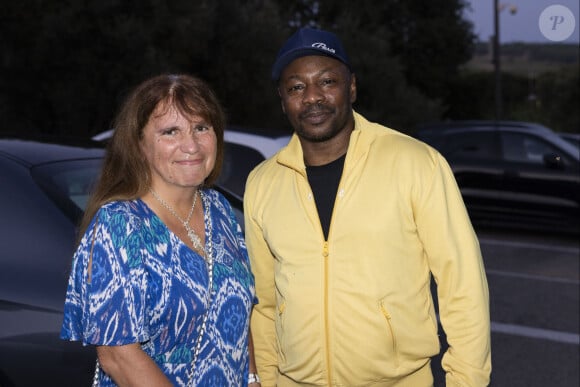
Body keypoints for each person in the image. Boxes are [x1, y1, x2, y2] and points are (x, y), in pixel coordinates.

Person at [244, 27, 491, 386]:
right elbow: (264, 305)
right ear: (283, 100)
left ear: (352, 87)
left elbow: (463, 286)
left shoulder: (416, 163)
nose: (312, 97)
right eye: (296, 87)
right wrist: (267, 380)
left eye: (327, 81)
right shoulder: (264, 182)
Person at [61, 74, 261, 386]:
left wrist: (252, 378)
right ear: (139, 145)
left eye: (201, 128)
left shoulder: (219, 209)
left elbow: (237, 311)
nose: (191, 145)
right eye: (171, 131)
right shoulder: (120, 224)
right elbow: (117, 356)